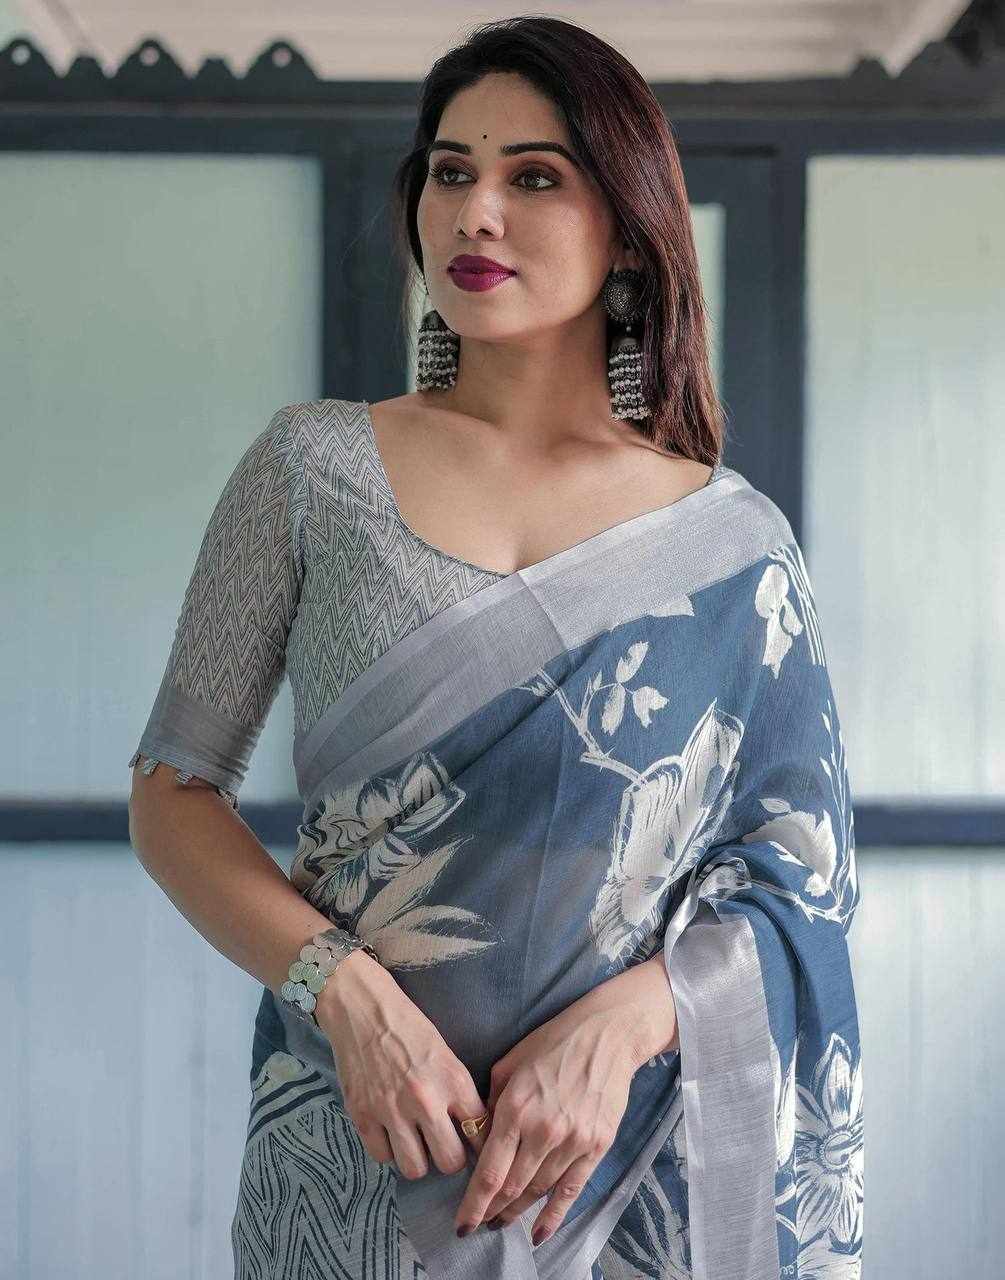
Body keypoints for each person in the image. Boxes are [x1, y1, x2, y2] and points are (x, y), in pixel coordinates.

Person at [127, 15, 862, 1280]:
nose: (476, 211)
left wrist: (627, 1024)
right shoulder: (310, 471)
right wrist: (345, 994)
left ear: (627, 225)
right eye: (451, 170)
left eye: (534, 175)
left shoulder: (732, 546)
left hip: (629, 1175)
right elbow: (171, 793)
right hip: (353, 1148)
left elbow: (804, 874)